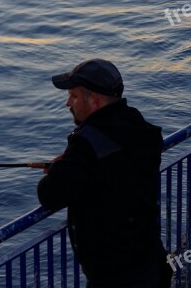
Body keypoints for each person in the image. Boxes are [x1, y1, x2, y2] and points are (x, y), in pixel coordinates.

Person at [37, 58, 171, 287]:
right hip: (150, 261)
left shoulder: (86, 145)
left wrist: (60, 164)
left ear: (95, 101)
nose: (68, 103)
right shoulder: (139, 126)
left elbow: (50, 195)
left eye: (74, 96)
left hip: (114, 276)